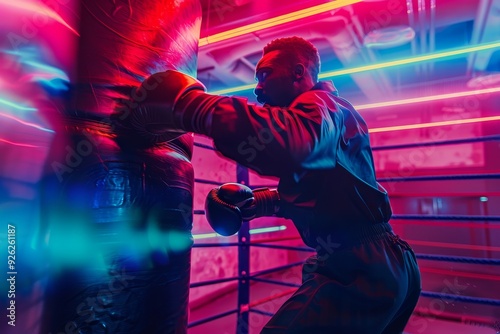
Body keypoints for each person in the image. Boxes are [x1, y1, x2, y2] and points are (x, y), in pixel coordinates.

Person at [112, 36, 421, 333]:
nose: (257, 88)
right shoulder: (333, 113)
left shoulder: (321, 104)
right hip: (386, 263)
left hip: (359, 270)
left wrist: (193, 108)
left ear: (299, 73)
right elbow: (326, 189)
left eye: (265, 75)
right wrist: (259, 203)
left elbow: (293, 145)